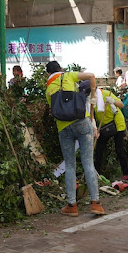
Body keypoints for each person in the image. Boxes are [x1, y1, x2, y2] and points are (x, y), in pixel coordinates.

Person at [45, 61, 104, 216]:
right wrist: (93, 95)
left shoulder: (48, 88)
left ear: (48, 74)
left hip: (63, 129)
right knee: (88, 164)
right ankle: (96, 204)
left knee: (70, 166)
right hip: (82, 124)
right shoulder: (68, 76)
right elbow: (91, 76)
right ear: (60, 70)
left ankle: (72, 205)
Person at [93, 88, 128, 180]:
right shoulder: (90, 98)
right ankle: (97, 174)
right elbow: (91, 115)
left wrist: (113, 101)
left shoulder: (106, 93)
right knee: (99, 150)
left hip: (117, 123)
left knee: (119, 149)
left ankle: (125, 173)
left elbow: (121, 105)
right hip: (104, 126)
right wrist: (95, 128)